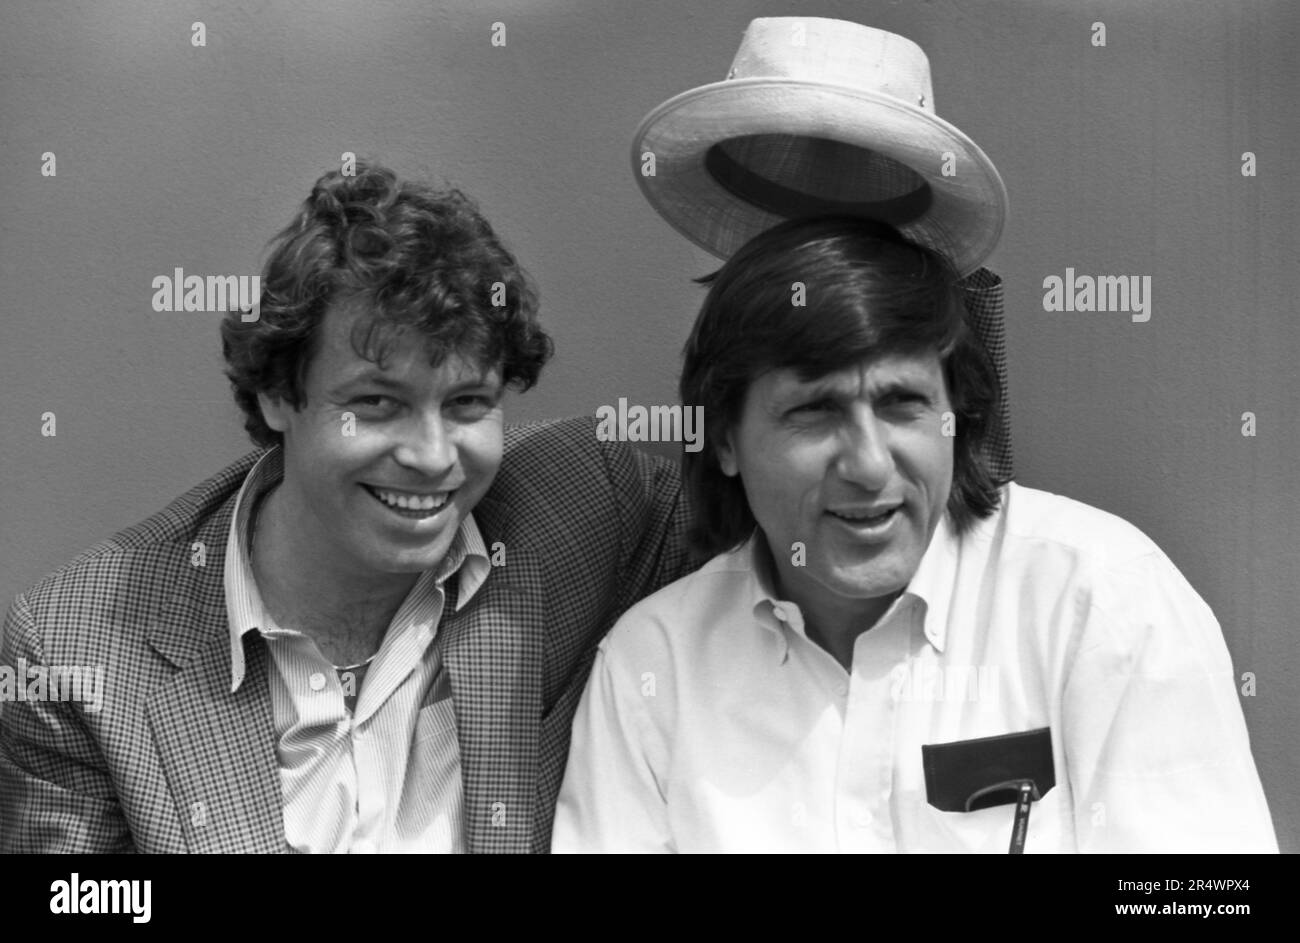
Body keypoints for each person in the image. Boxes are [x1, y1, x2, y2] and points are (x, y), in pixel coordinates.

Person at [551, 17, 1277, 853]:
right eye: (812, 412)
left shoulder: (1101, 600)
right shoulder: (655, 668)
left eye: (901, 405)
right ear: (724, 436)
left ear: (957, 410)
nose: (867, 466)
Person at [0, 162, 690, 853]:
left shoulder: (588, 506)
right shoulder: (76, 650)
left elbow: (772, 475)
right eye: (377, 404)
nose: (431, 454)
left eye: (467, 404)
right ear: (278, 394)